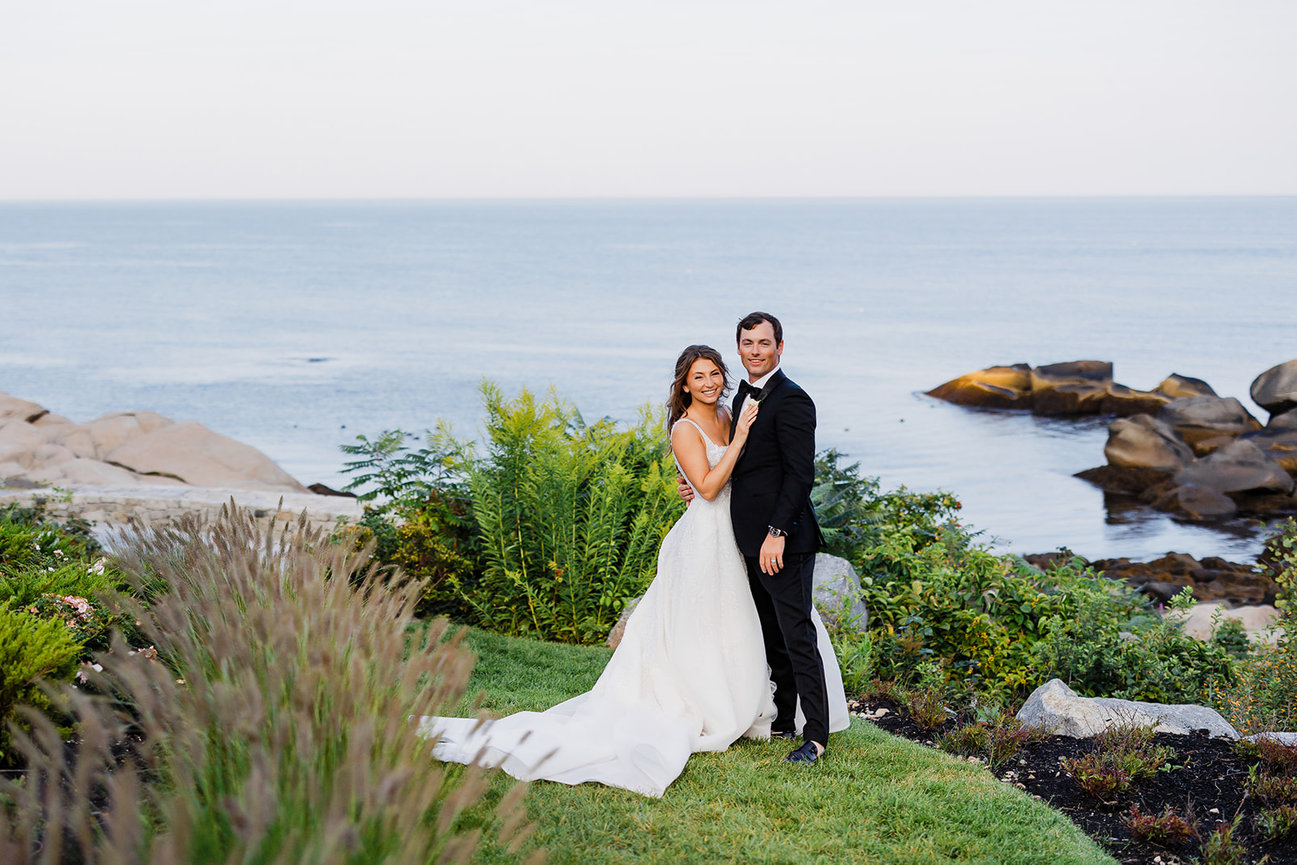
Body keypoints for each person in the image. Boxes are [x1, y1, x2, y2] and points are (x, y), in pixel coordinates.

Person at [418, 344, 847, 797]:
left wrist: (735, 455)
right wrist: (732, 447)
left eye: (715, 374)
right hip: (704, 538)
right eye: (698, 377)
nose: (709, 383)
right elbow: (705, 487)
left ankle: (765, 709)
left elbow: (756, 470)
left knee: (739, 623)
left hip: (737, 534)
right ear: (684, 384)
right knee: (699, 625)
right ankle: (711, 706)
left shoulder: (732, 410)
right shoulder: (687, 427)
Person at [679, 311, 832, 763]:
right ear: (739, 348)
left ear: (779, 347)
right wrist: (694, 483)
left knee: (797, 635)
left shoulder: (793, 400)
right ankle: (784, 719)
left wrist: (776, 533)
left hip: (782, 542)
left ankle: (816, 736)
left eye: (764, 343)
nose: (755, 350)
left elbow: (800, 475)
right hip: (742, 540)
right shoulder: (738, 401)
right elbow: (735, 465)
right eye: (747, 343)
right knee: (770, 635)